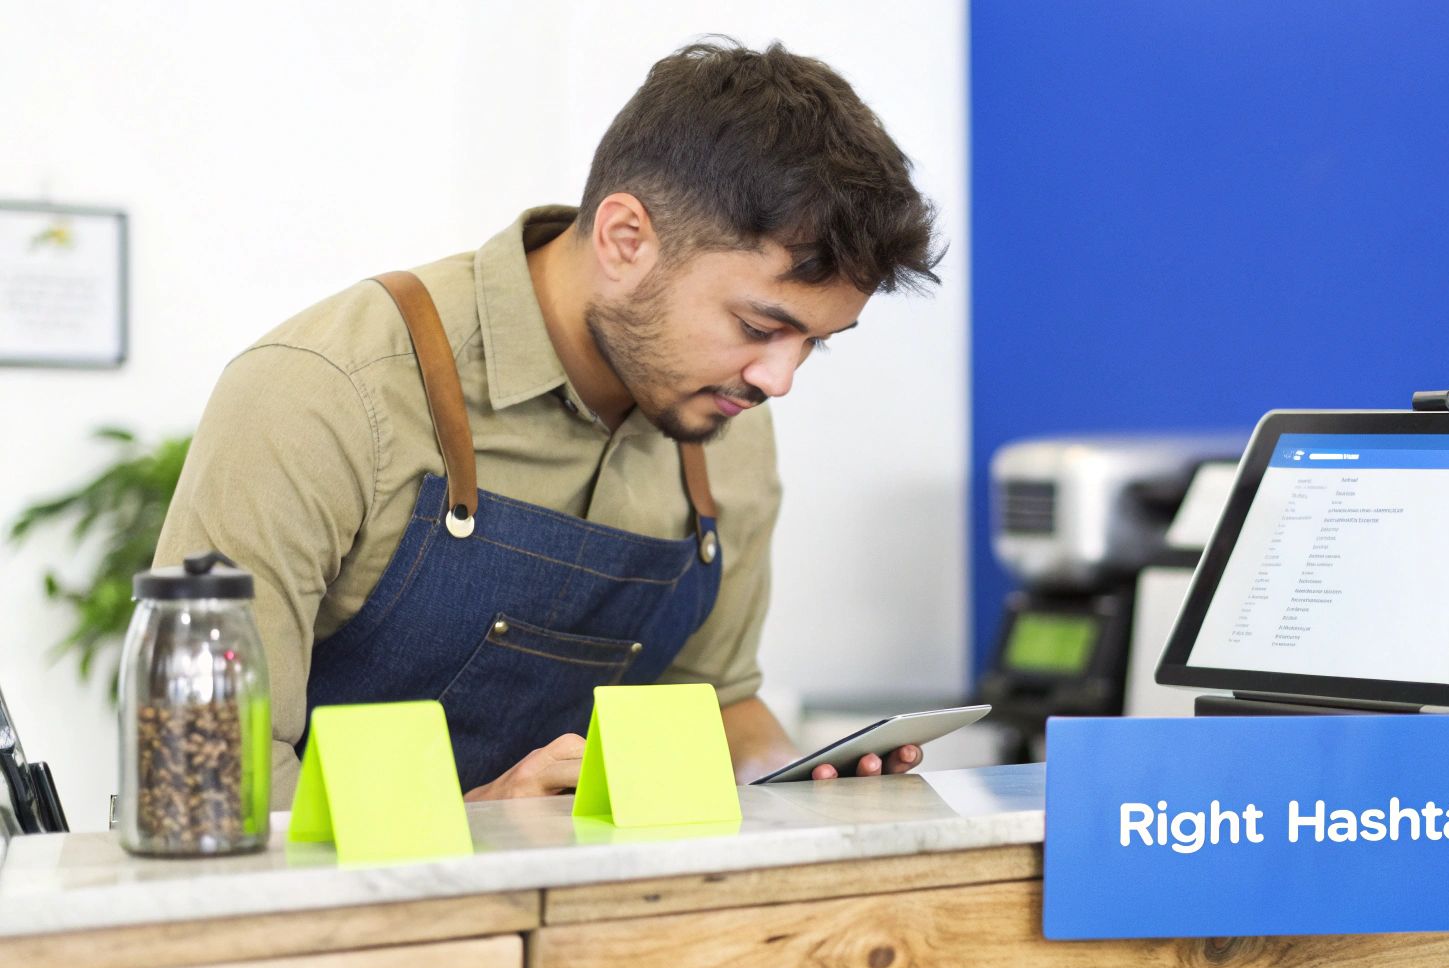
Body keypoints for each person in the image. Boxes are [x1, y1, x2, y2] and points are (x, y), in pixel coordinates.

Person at [153, 39, 943, 807]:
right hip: (335, 898)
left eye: (815, 343)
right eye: (759, 326)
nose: (780, 380)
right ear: (626, 240)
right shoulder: (325, 392)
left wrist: (811, 791)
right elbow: (204, 783)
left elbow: (714, 702)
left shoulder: (723, 421)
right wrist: (478, 827)